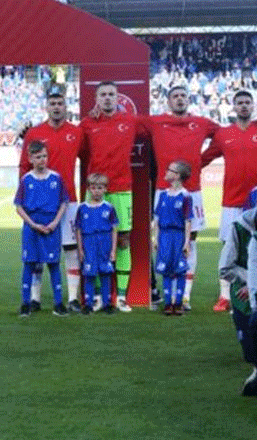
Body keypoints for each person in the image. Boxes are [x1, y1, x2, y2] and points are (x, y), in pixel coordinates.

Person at [142, 85, 218, 311]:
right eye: (175, 96)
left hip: (192, 190)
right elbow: (129, 123)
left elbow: (224, 137)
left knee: (190, 241)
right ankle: (167, 295)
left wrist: (199, 161)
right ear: (168, 101)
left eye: (183, 95)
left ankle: (184, 296)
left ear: (189, 99)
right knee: (164, 238)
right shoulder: (156, 121)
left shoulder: (202, 123)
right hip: (164, 190)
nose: (180, 99)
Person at [19, 85, 84, 312]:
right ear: (46, 108)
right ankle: (35, 299)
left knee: (70, 248)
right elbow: (23, 167)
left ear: (66, 107)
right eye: (52, 104)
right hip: (38, 204)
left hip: (69, 201)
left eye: (60, 104)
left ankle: (73, 298)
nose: (56, 108)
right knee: (36, 250)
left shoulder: (77, 132)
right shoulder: (34, 133)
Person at [81, 81, 142, 312]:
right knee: (94, 241)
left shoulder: (130, 121)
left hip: (122, 188)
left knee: (124, 240)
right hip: (95, 188)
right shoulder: (87, 124)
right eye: (103, 94)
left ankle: (123, 297)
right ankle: (97, 296)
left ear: (118, 98)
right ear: (96, 99)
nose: (107, 98)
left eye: (111, 94)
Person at [202, 90, 257, 312]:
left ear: (252, 106)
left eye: (247, 102)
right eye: (240, 103)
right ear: (233, 107)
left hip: (256, 202)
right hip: (232, 201)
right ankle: (225, 295)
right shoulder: (224, 134)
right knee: (229, 247)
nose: (244, 106)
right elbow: (203, 159)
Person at [14, 141, 69, 317]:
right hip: (32, 227)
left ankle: (59, 303)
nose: (42, 160)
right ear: (30, 158)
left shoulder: (56, 178)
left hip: (51, 226)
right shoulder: (26, 180)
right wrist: (32, 224)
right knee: (29, 264)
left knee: (53, 264)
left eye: (44, 156)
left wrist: (55, 222)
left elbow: (64, 202)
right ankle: (25, 303)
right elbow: (19, 207)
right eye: (38, 157)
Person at [218, 207, 257, 396]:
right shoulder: (238, 229)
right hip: (243, 294)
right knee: (249, 343)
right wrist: (250, 282)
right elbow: (225, 267)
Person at [152, 160, 193, 316]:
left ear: (177, 175)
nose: (166, 172)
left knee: (180, 270)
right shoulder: (163, 195)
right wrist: (155, 238)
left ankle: (179, 303)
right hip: (164, 237)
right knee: (166, 270)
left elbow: (188, 221)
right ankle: (168, 303)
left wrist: (186, 243)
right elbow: (156, 219)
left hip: (178, 236)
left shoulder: (185, 196)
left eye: (169, 170)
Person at [75, 173, 118, 315]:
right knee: (89, 274)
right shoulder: (82, 208)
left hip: (104, 242)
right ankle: (88, 304)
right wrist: (80, 249)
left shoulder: (109, 207)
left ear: (105, 189)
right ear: (88, 189)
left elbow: (114, 229)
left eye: (100, 188)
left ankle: (107, 304)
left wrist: (113, 250)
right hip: (89, 243)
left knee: (105, 273)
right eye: (93, 188)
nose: (96, 191)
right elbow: (79, 230)